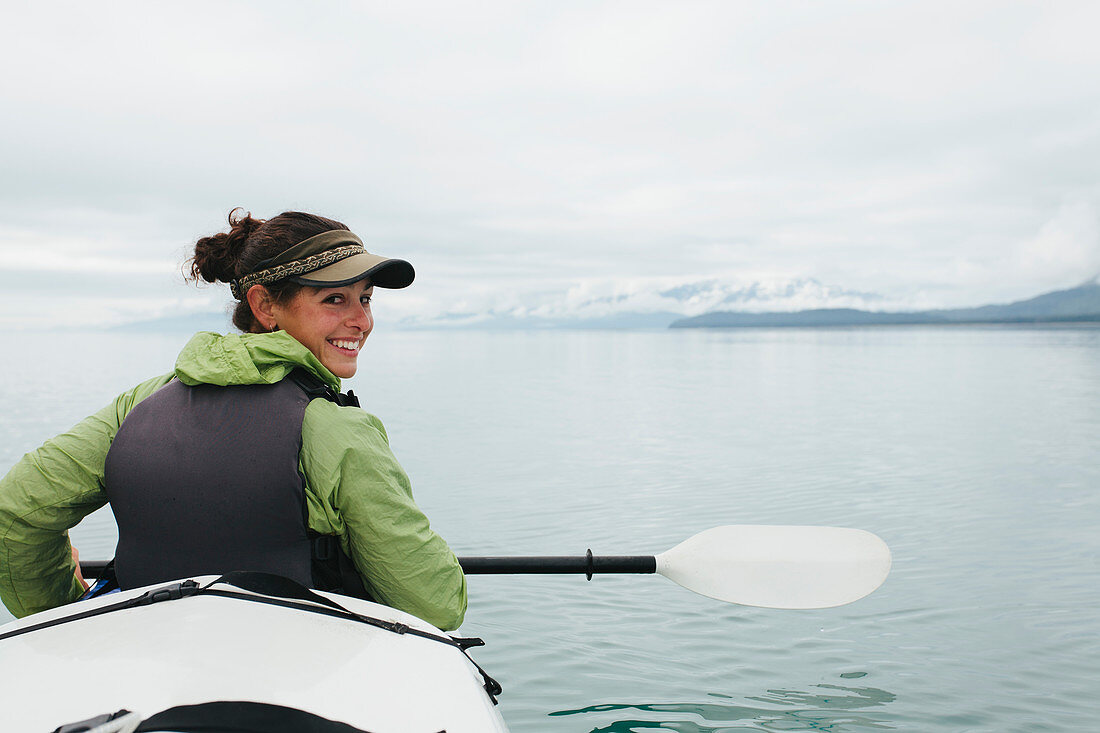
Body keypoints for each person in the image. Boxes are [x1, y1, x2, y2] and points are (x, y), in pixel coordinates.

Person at [0, 210, 467, 630]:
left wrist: (66, 611)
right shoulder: (335, 428)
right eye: (334, 301)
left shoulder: (141, 403)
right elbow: (436, 604)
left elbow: (16, 512)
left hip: (151, 661)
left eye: (365, 299)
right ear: (264, 306)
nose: (361, 321)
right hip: (301, 674)